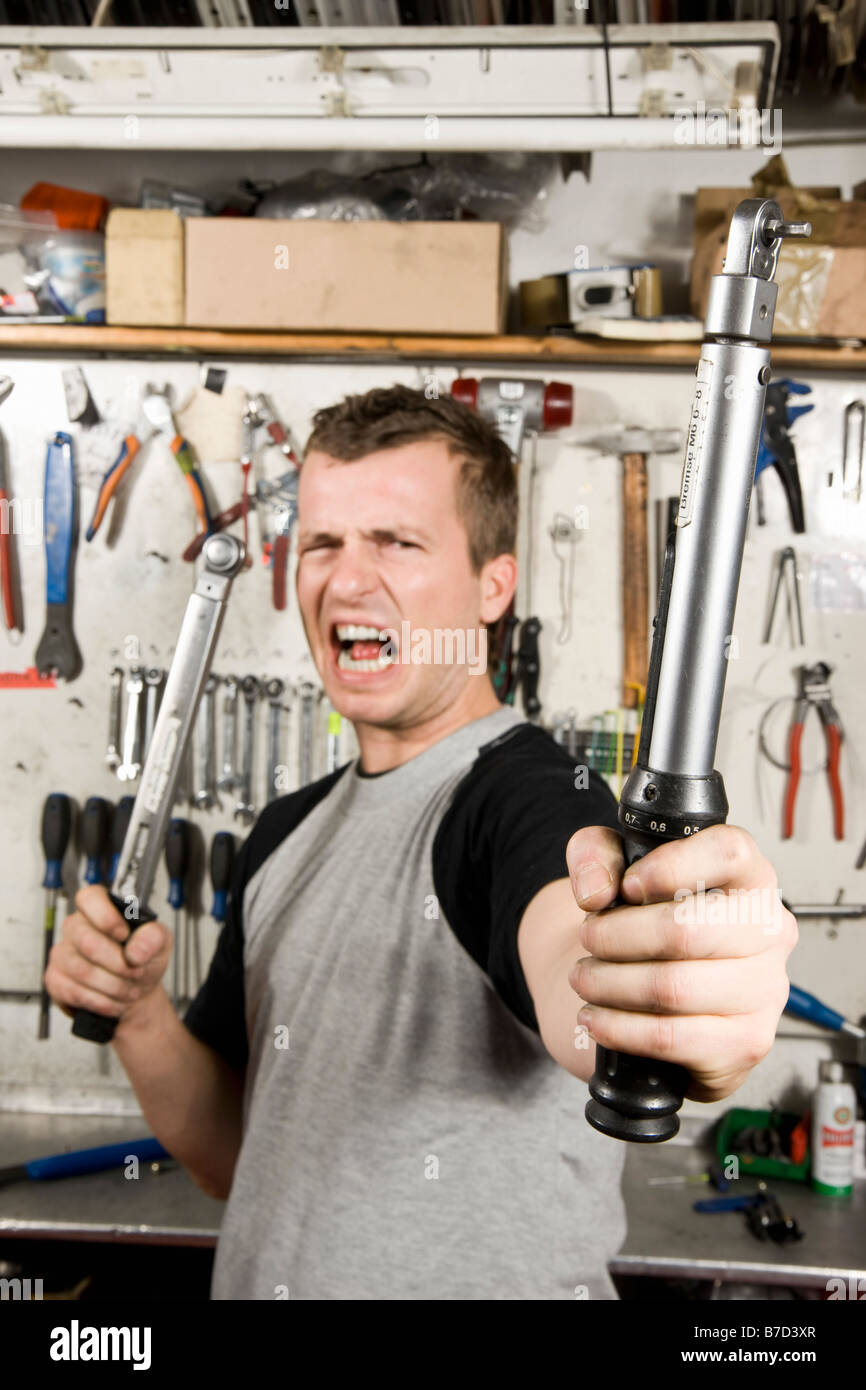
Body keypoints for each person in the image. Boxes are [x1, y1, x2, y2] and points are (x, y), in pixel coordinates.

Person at [46, 384, 797, 1301]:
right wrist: (137, 1014)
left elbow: (579, 974)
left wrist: (676, 1006)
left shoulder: (525, 800)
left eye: (397, 542)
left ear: (494, 585)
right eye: (322, 542)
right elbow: (237, 1155)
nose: (347, 580)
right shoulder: (286, 831)